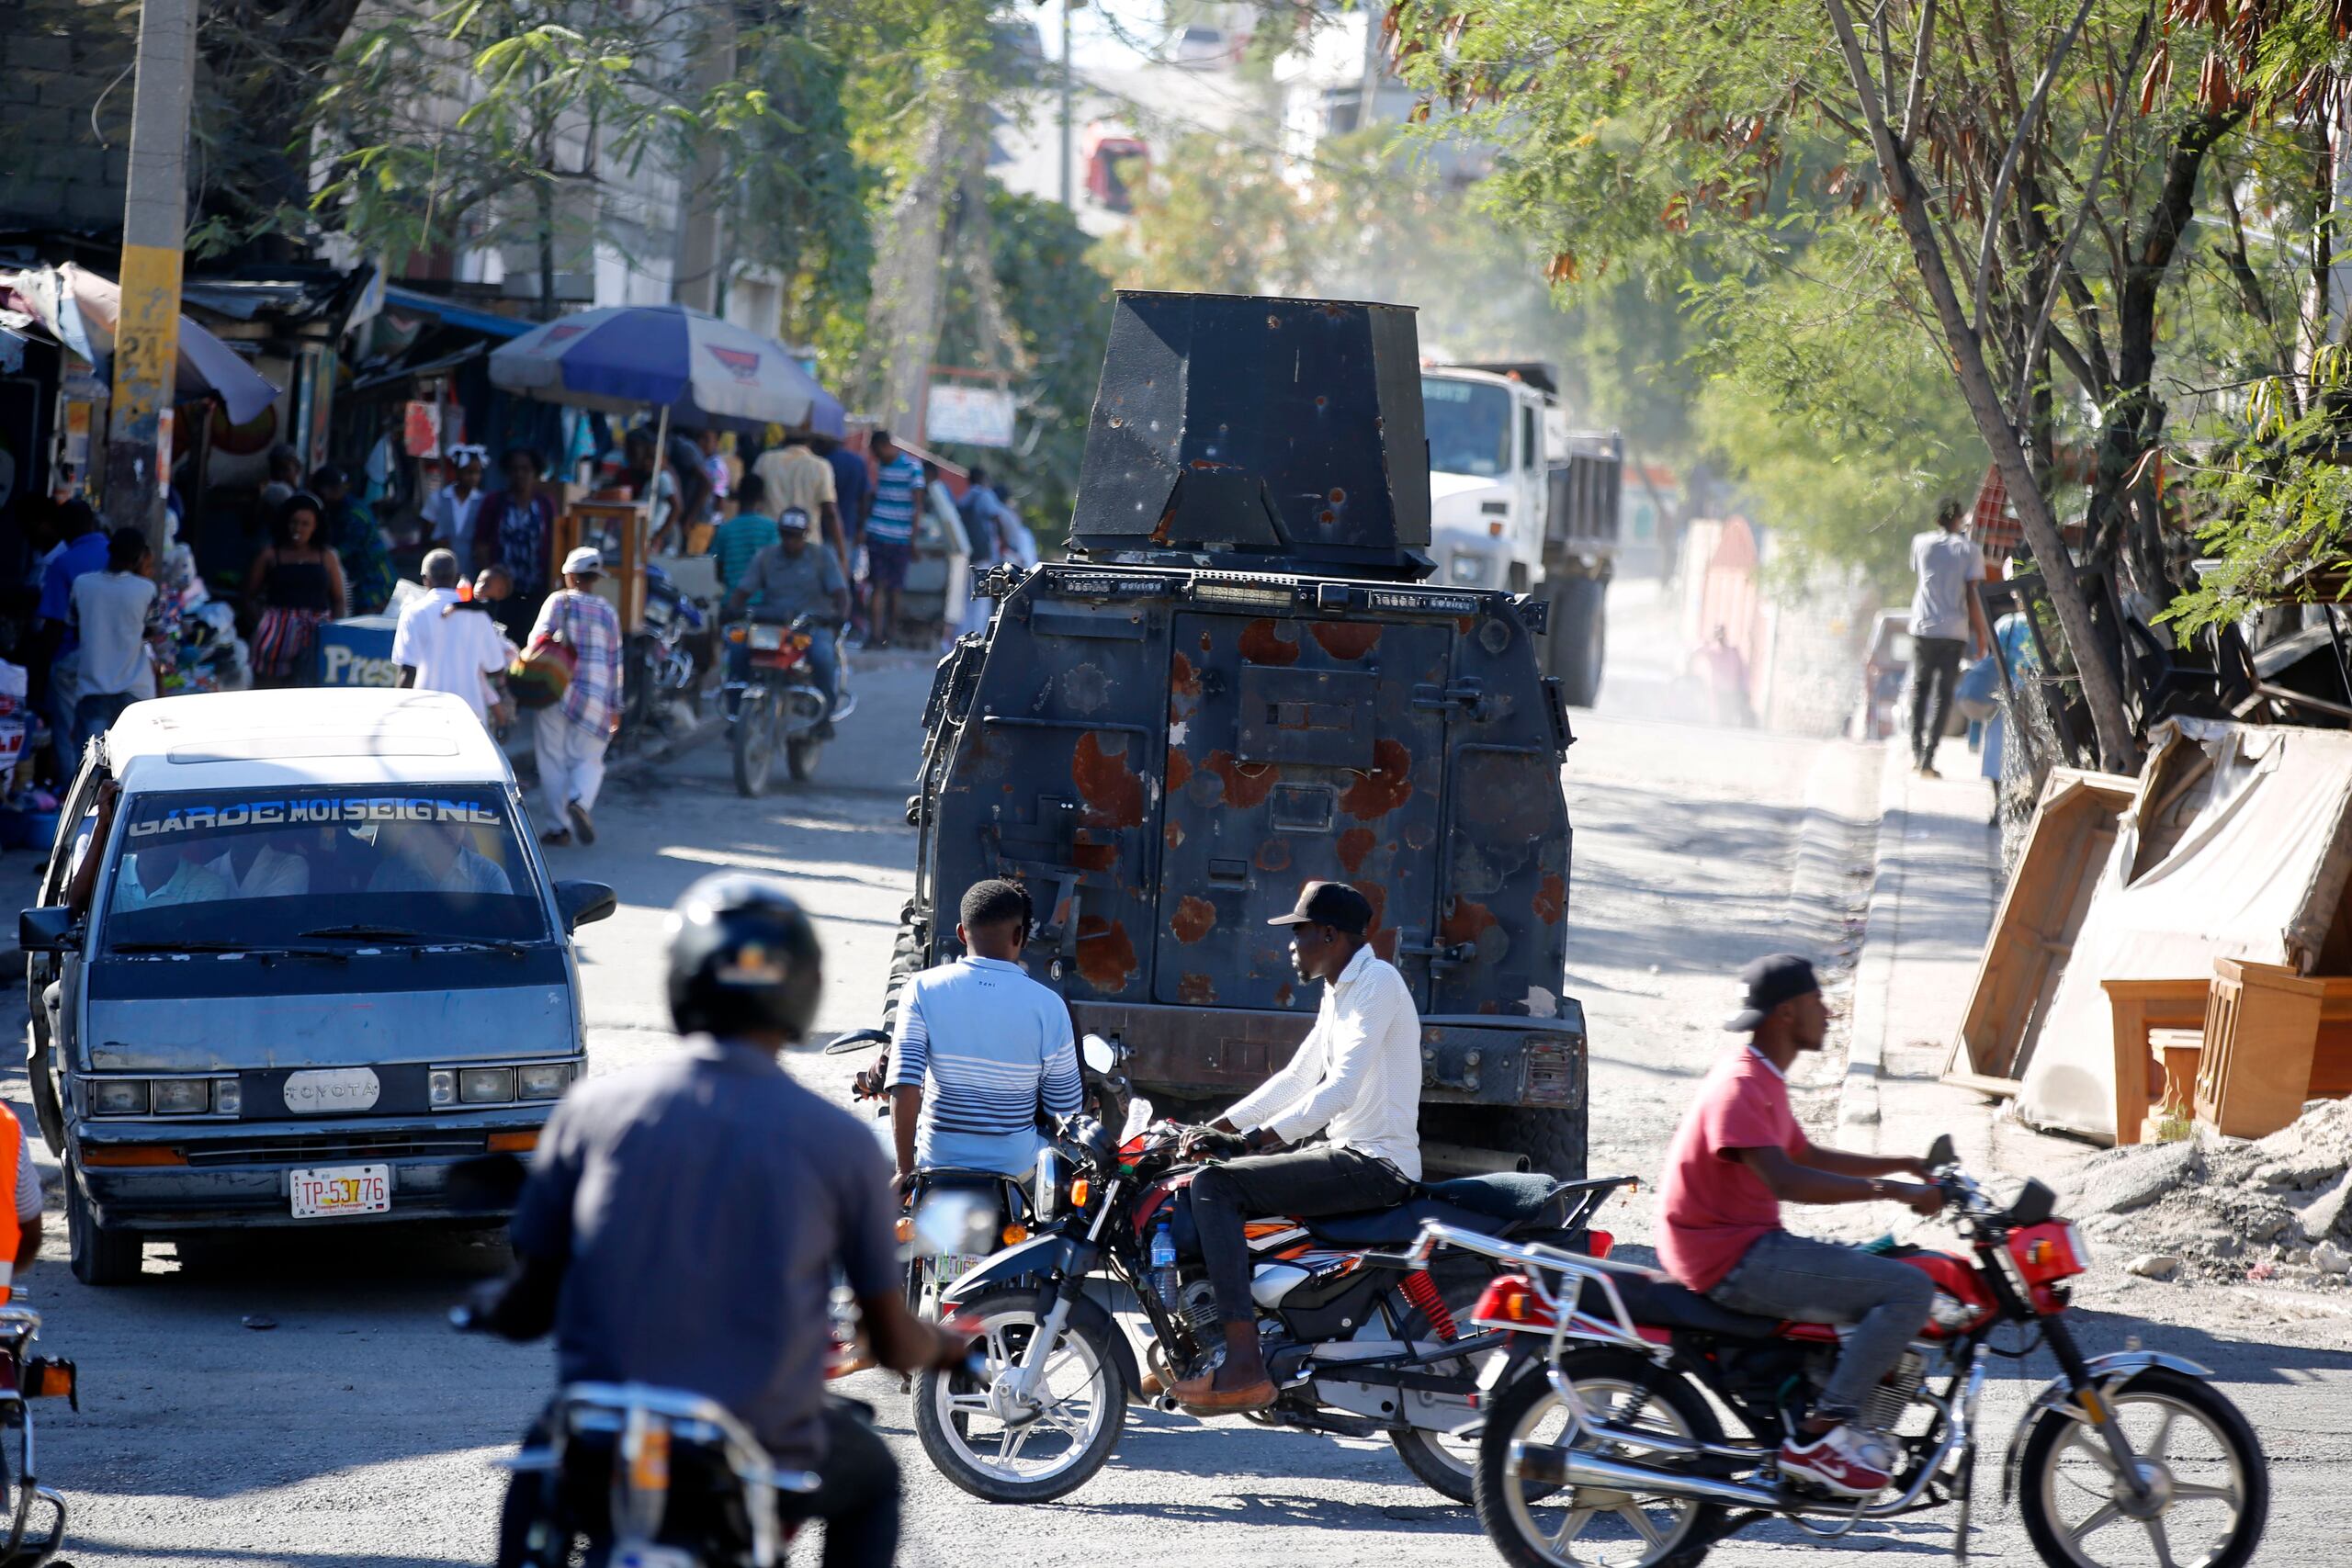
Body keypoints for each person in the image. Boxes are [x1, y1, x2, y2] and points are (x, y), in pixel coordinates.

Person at [473, 874, 968, 1567]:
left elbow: (528, 1306)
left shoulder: (592, 1113)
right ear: (801, 991)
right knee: (874, 1479)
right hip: (765, 1436)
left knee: (535, 1467)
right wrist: (945, 1345)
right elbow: (886, 1338)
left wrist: (485, 1305)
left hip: (604, 1435)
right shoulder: (839, 1141)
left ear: (681, 982)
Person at [1657, 954, 1943, 1498]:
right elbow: (1786, 1178)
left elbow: (1804, 1153)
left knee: (1892, 1267)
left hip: (1738, 1245)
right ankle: (1821, 1436)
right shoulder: (1742, 1084)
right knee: (1910, 1289)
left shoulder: (1761, 1075)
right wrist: (1897, 1192)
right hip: (1731, 1257)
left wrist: (1902, 1163)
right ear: (1787, 1012)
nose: (1828, 1013)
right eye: (1817, 1001)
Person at [1174, 880, 1422, 1411]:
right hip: (1353, 1153)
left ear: (1330, 935)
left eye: (1299, 932)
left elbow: (1339, 1089)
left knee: (1215, 1186)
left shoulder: (1377, 983)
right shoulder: (1341, 989)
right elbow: (1297, 1077)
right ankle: (1204, 1346)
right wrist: (1207, 1128)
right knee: (1191, 1182)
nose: (1291, 944)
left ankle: (1243, 1364)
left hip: (1375, 1161)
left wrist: (1245, 1143)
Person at [888, 880, 1080, 1190]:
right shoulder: (1049, 1006)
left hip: (936, 1158)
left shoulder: (922, 989)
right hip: (1017, 1166)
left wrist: (904, 1169)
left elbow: (905, 1081)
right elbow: (1065, 1110)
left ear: (962, 933)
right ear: (1021, 935)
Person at [529, 547, 625, 849]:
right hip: (596, 697)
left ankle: (559, 828)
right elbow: (615, 662)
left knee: (552, 760)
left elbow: (537, 643)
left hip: (556, 691)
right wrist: (616, 706)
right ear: (595, 578)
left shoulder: (558, 601)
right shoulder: (608, 611)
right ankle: (580, 801)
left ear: (569, 575)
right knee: (590, 759)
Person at [723, 507, 849, 734]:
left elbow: (840, 593)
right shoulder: (766, 556)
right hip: (771, 626)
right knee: (737, 649)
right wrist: (732, 609)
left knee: (822, 656)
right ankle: (735, 716)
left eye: (795, 535)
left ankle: (824, 718)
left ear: (806, 534)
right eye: (786, 534)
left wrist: (839, 615)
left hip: (810, 627)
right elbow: (742, 591)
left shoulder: (822, 557)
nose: (790, 541)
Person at [1907, 498, 1988, 779]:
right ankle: (1929, 756)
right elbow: (1972, 595)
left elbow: (1922, 577)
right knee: (1943, 695)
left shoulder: (1920, 543)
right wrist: (1981, 633)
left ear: (1936, 519)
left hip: (1923, 626)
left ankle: (1916, 751)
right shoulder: (1970, 551)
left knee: (1920, 689)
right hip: (1954, 630)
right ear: (1962, 519)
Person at [393, 549, 514, 728]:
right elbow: (495, 668)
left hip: (425, 716)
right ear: (457, 578)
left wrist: (395, 713)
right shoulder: (479, 616)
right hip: (470, 716)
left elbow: (408, 672)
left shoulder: (412, 614)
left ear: (425, 579)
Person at [33, 501, 107, 777]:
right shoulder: (115, 554)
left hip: (72, 657)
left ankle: (72, 793)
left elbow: (54, 624)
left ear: (64, 529)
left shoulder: (63, 563)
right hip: (113, 662)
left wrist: (39, 675)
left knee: (67, 731)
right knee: (100, 730)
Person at [68, 527, 157, 755]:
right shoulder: (146, 590)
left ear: (109, 550)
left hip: (92, 688)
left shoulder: (82, 584)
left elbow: (74, 624)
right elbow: (154, 631)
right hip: (135, 691)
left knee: (93, 765)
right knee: (132, 761)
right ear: (140, 557)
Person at [245, 492, 349, 688]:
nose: (298, 529)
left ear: (315, 526)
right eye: (294, 522)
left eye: (305, 524)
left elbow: (338, 599)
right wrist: (264, 624)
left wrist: (332, 630)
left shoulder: (326, 557)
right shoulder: (269, 555)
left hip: (315, 633)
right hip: (275, 637)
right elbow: (249, 597)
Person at [479, 448, 561, 640]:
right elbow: (481, 543)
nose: (520, 474)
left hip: (535, 590)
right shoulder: (495, 502)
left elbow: (554, 545)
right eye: (514, 470)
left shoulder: (545, 505)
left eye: (525, 469)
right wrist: (489, 578)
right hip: (502, 592)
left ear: (535, 473)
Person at [752, 431, 847, 580]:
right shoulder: (821, 466)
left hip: (770, 544)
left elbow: (753, 501)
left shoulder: (765, 461)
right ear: (811, 439)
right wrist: (842, 557)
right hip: (807, 547)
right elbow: (830, 513)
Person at [864, 430, 922, 649]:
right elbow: (917, 507)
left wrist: (912, 540)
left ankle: (881, 635)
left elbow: (917, 506)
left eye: (875, 451)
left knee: (883, 588)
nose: (875, 456)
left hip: (886, 535)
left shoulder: (905, 467)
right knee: (889, 588)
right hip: (891, 537)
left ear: (883, 445)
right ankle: (883, 635)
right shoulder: (909, 468)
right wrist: (913, 539)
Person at [314, 465, 394, 615]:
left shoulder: (355, 514)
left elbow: (342, 551)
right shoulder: (333, 510)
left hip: (373, 584)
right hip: (357, 583)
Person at [367, 818, 513, 896]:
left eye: (455, 818)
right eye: (437, 820)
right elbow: (370, 931)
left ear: (464, 825)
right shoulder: (389, 875)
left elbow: (508, 934)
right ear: (422, 827)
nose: (447, 827)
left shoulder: (488, 875)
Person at [707, 471, 775, 593]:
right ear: (761, 497)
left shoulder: (725, 529)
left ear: (738, 496)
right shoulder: (771, 528)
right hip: (763, 604)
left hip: (732, 602)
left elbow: (719, 573)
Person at [119, 840, 234, 910]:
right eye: (149, 838)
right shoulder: (111, 874)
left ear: (182, 844)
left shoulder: (207, 886)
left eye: (165, 840)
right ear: (136, 841)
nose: (157, 847)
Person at [424, 445, 490, 565]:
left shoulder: (484, 501)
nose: (473, 477)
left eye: (477, 473)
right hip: (441, 567)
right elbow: (427, 530)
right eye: (469, 472)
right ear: (457, 472)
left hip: (472, 567)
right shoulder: (438, 498)